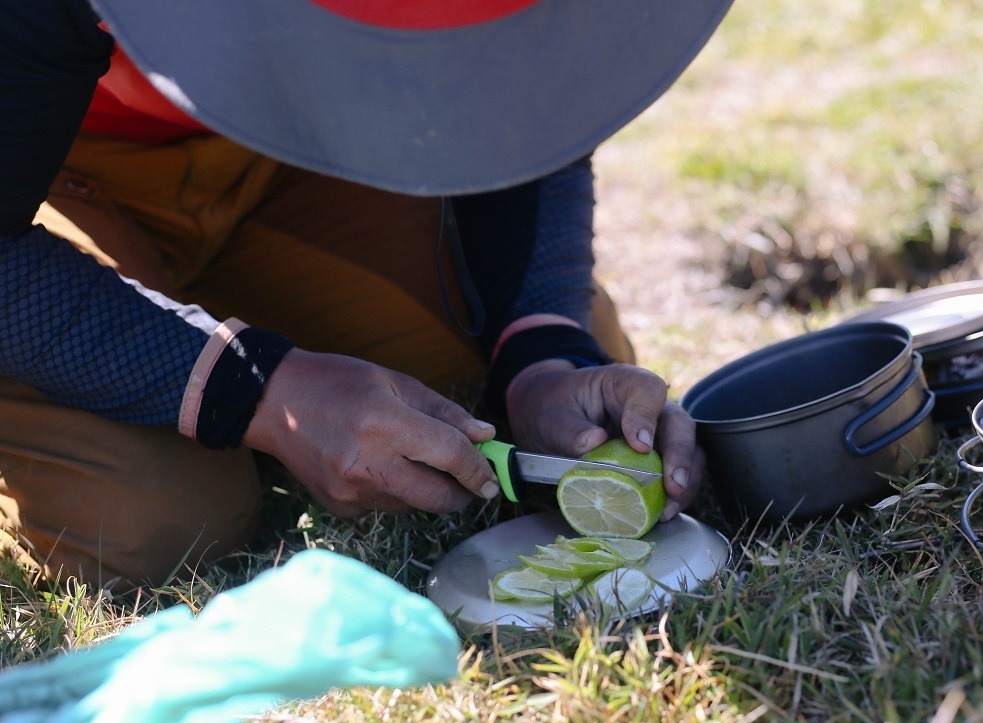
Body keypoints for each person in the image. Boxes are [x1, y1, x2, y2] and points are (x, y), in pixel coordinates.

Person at [0, 0, 733, 586]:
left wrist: (541, 351)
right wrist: (259, 391)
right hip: (47, 165)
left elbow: (518, 93)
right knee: (149, 519)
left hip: (282, 143)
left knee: (529, 385)